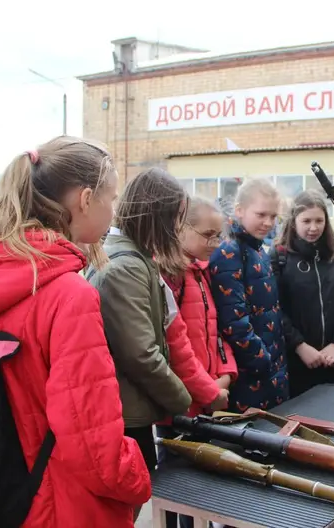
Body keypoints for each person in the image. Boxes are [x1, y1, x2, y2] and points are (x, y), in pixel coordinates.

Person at [0, 137, 151, 527]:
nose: (113, 210)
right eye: (111, 197)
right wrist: (139, 478)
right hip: (63, 505)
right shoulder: (68, 294)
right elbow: (93, 447)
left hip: (4, 493)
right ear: (85, 199)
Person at [89, 168, 220, 520]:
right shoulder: (126, 268)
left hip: (132, 409)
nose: (176, 230)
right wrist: (183, 399)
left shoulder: (133, 260)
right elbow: (141, 354)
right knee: (122, 509)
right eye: (175, 220)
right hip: (126, 415)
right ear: (157, 217)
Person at [161, 195, 238, 528]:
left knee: (203, 490)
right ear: (181, 229)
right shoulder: (171, 276)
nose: (216, 243)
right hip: (181, 406)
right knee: (179, 494)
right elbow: (173, 348)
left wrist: (226, 373)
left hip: (207, 398)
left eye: (219, 235)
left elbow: (215, 333)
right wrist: (208, 389)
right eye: (208, 235)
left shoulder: (201, 273)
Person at [209, 177, 289, 411]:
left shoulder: (259, 249)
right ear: (239, 210)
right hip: (250, 373)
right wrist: (262, 361)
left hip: (270, 368)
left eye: (273, 216)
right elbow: (233, 320)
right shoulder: (229, 252)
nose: (268, 223)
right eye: (261, 214)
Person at [271, 189, 334, 398]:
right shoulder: (279, 257)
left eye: (319, 220)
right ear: (293, 221)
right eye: (306, 221)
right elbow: (274, 309)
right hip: (295, 362)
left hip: (331, 360)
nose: (313, 227)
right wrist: (299, 346)